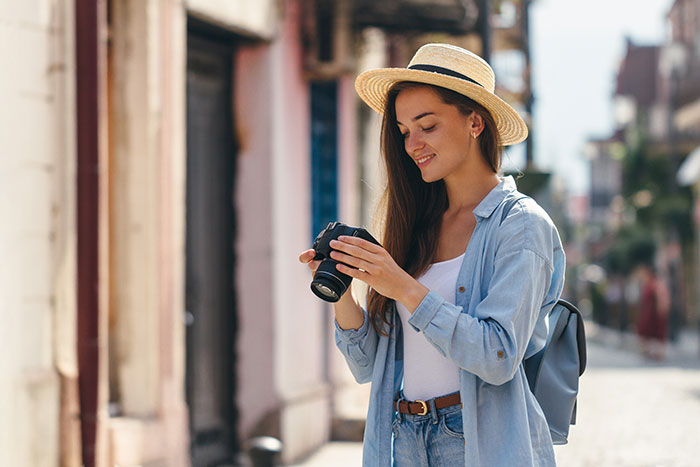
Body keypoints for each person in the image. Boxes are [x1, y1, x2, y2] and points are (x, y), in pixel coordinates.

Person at [299, 43, 565, 466]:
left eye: (427, 125)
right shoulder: (417, 224)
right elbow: (368, 366)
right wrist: (342, 292)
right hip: (402, 437)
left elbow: (497, 356)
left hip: (474, 441)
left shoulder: (520, 226)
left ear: (475, 122)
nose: (412, 144)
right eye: (404, 131)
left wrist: (403, 287)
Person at [636, 264, 670, 361]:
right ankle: (648, 351)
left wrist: (662, 310)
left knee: (658, 332)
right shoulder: (647, 283)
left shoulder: (657, 284)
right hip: (648, 311)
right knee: (646, 331)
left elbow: (662, 299)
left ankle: (659, 353)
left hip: (655, 312)